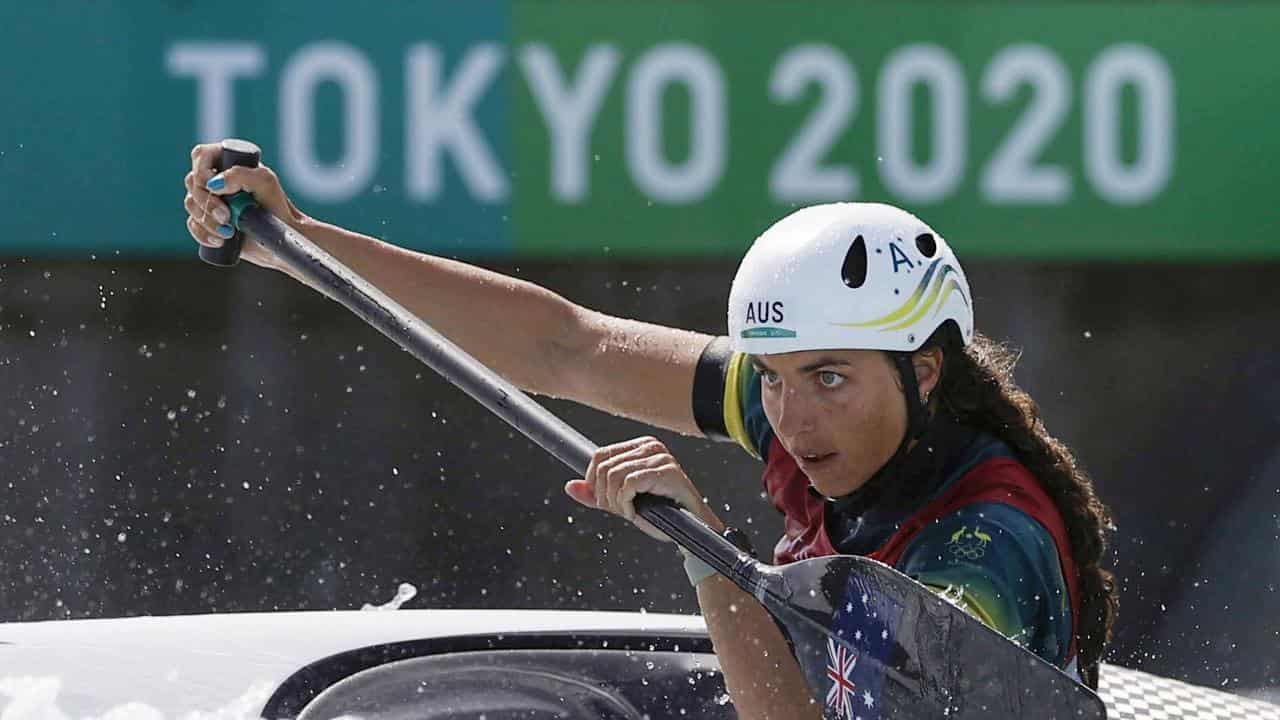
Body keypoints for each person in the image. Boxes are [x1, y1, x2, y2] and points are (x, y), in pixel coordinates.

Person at [183, 142, 1118, 715]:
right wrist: (302, 245)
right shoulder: (824, 411)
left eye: (826, 379)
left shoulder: (983, 557)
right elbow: (565, 345)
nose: (790, 420)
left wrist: (711, 556)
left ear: (923, 372)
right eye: (776, 380)